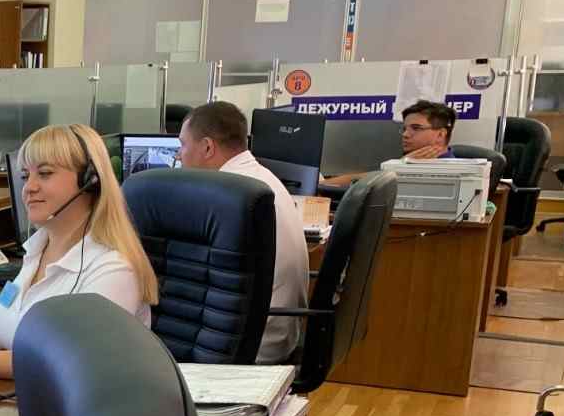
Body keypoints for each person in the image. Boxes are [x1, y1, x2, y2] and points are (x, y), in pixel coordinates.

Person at [0, 123, 158, 380]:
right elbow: (30, 305)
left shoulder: (113, 270)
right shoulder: (40, 246)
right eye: (26, 176)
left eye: (45, 173)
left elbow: (67, 359)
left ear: (90, 181)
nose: (29, 187)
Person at [177, 100, 309, 364]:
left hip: (252, 345)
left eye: (182, 145)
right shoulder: (260, 178)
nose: (179, 155)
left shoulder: (228, 193)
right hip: (277, 331)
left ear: (207, 147)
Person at [322, 98, 456, 186]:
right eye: (404, 129)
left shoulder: (450, 173)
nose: (405, 134)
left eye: (416, 128)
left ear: (441, 134)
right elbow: (367, 180)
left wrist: (400, 168)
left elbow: (372, 182)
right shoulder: (410, 162)